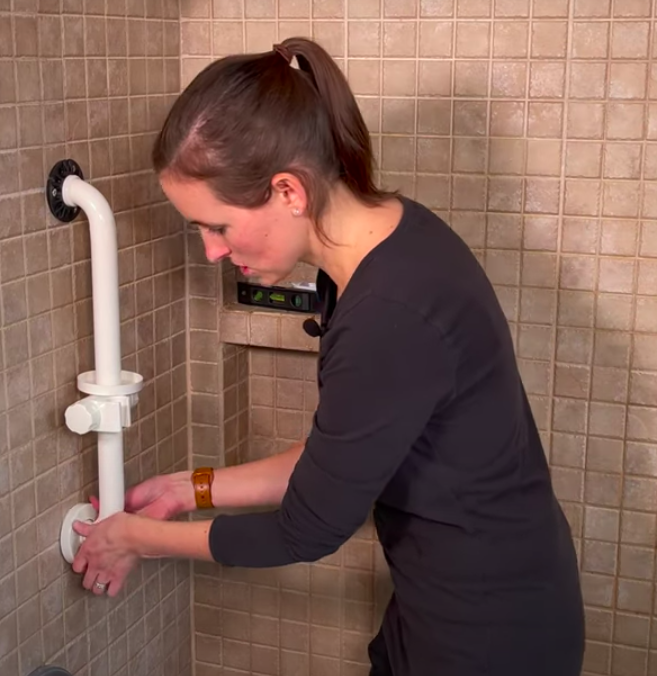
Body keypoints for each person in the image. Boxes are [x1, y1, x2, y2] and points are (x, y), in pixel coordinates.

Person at [72, 37, 585, 676]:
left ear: (289, 190)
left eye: (218, 226)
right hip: (450, 602)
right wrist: (187, 488)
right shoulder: (386, 247)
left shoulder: (391, 311)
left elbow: (304, 530)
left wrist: (135, 538)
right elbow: (338, 455)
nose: (210, 251)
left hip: (490, 637)